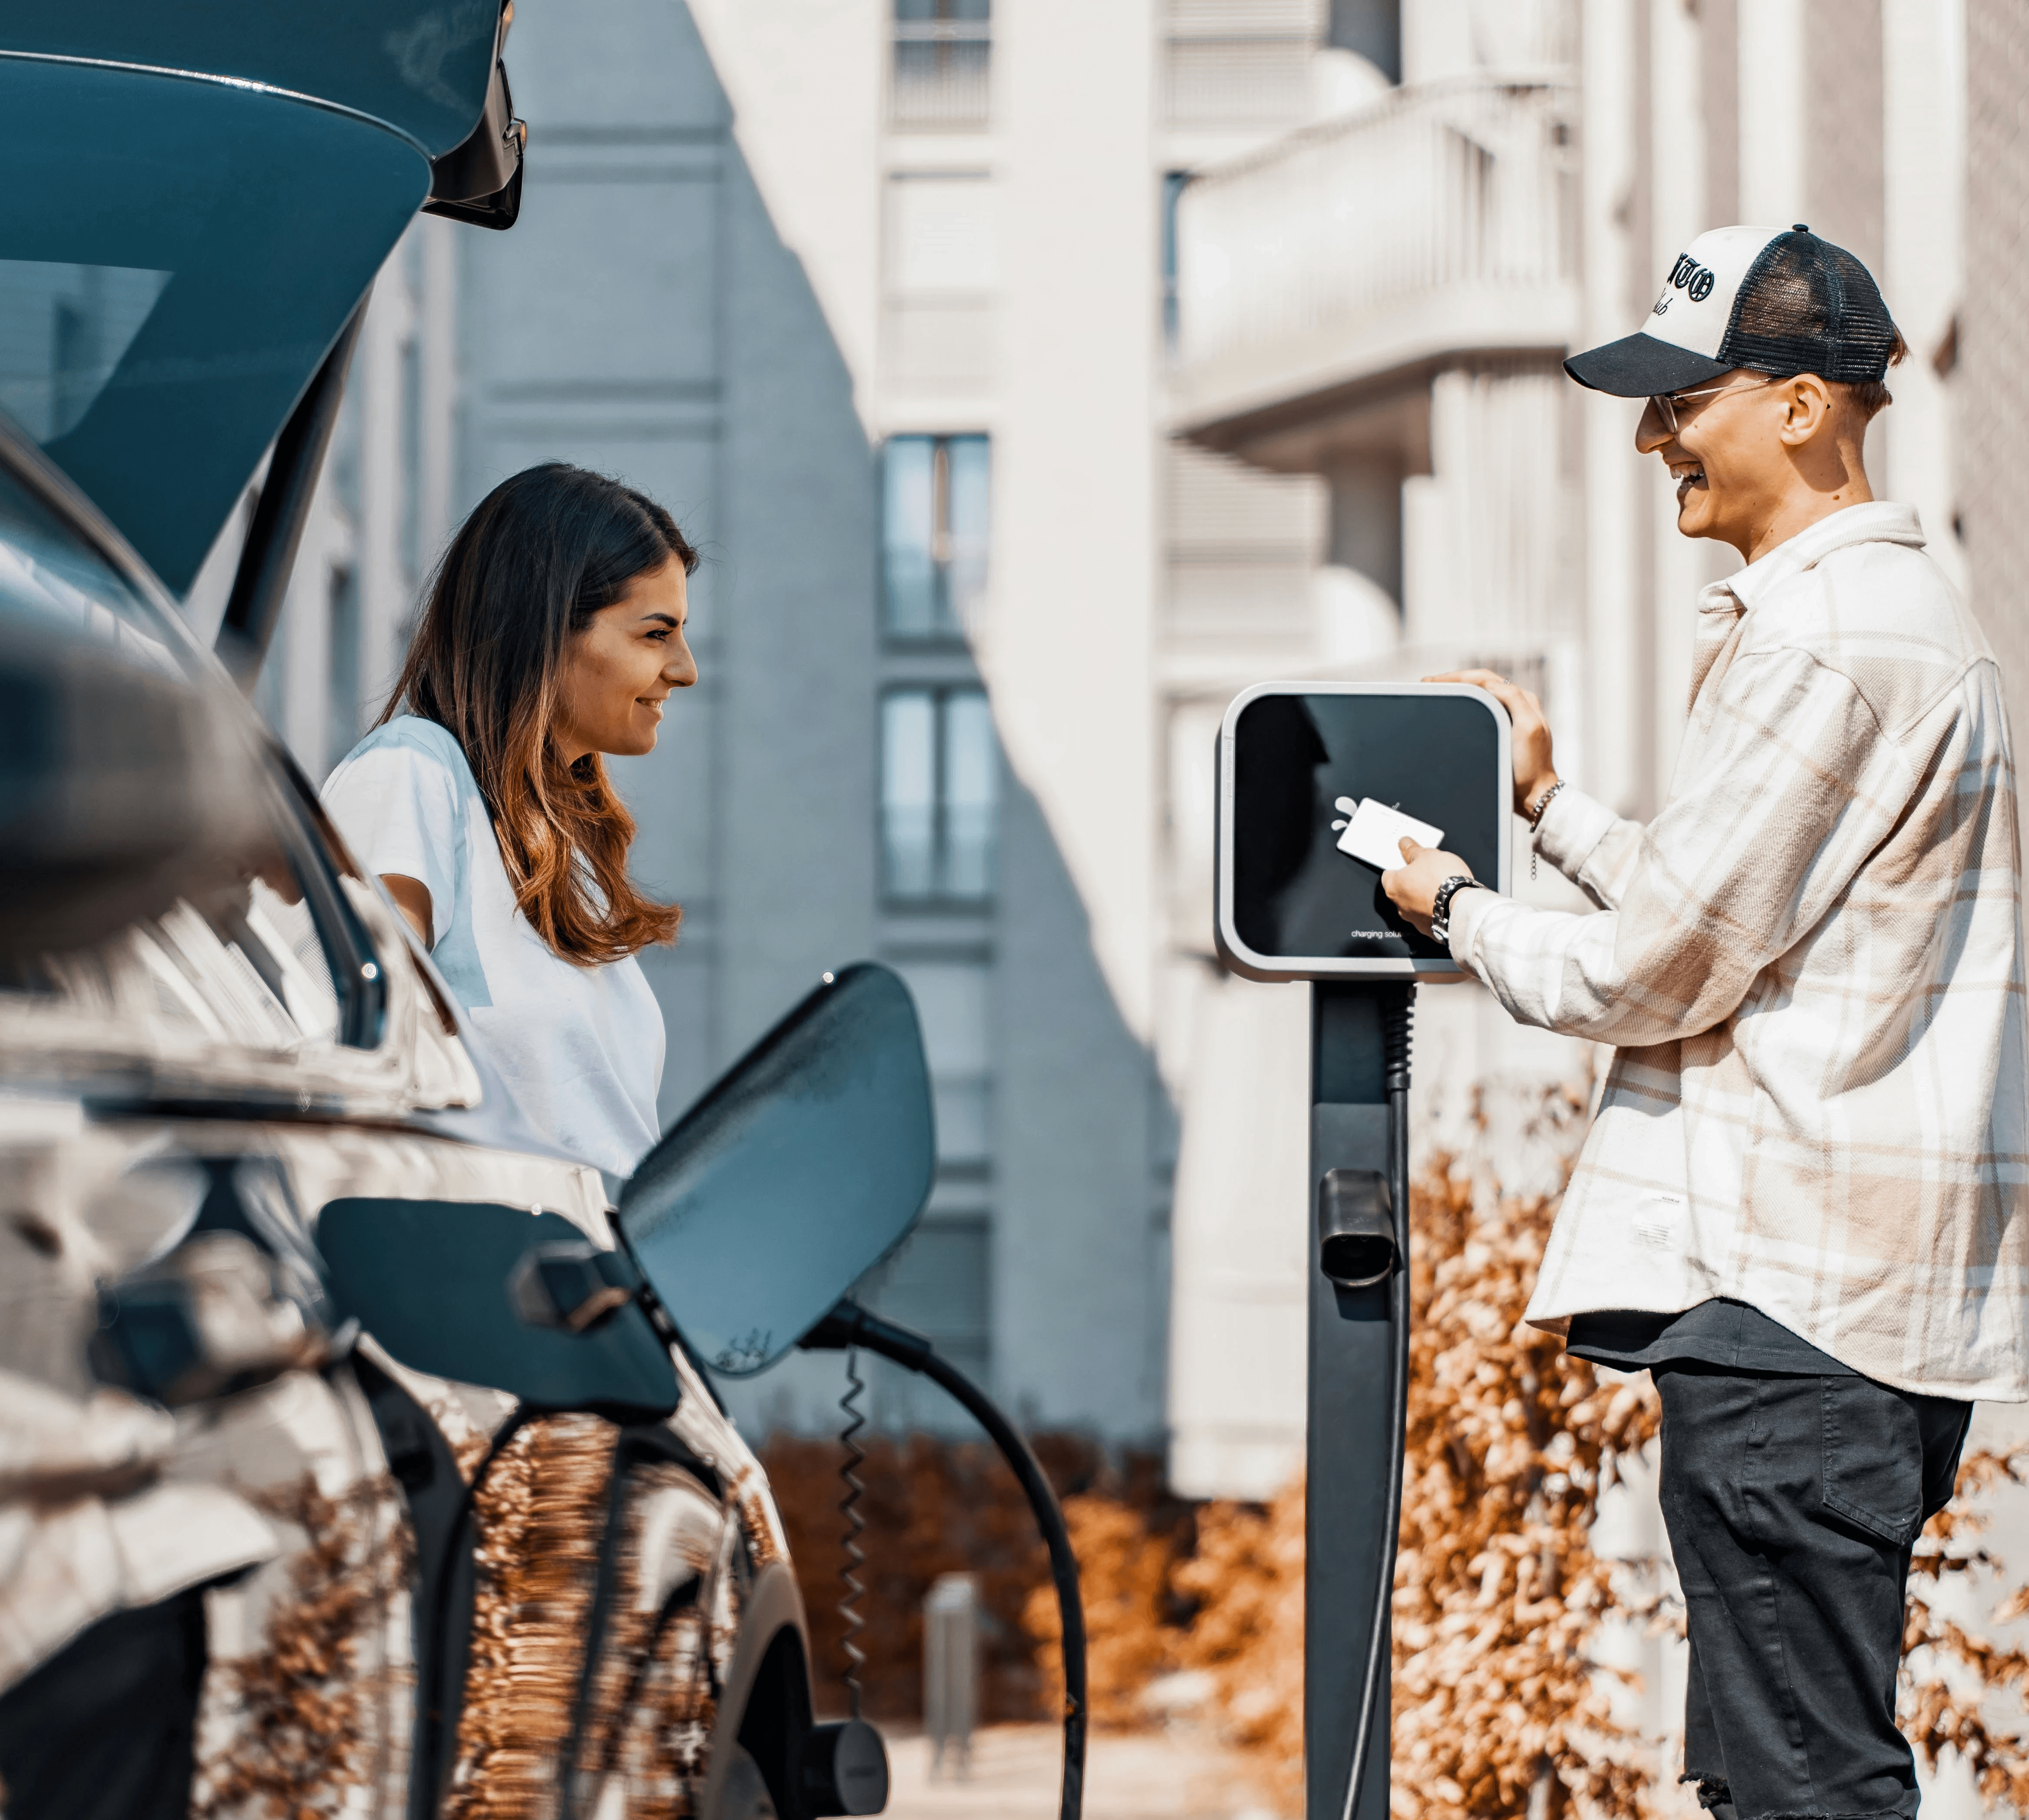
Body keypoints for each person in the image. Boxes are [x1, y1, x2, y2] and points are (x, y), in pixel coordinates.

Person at [1383, 225, 2026, 1820]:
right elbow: (1735, 912)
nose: (1653, 434)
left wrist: (1454, 910)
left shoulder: (1824, 634)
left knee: (1804, 1788)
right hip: (1839, 1311)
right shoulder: (1881, 625)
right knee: (1770, 1774)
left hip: (1799, 1303)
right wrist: (1551, 810)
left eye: (1686, 396)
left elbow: (1657, 972)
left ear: (1804, 406)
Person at [323, 462, 698, 1178]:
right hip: (489, 1271)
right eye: (657, 634)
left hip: (601, 1270)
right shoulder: (413, 774)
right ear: (549, 627)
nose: (686, 669)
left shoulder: (564, 854)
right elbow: (351, 1056)